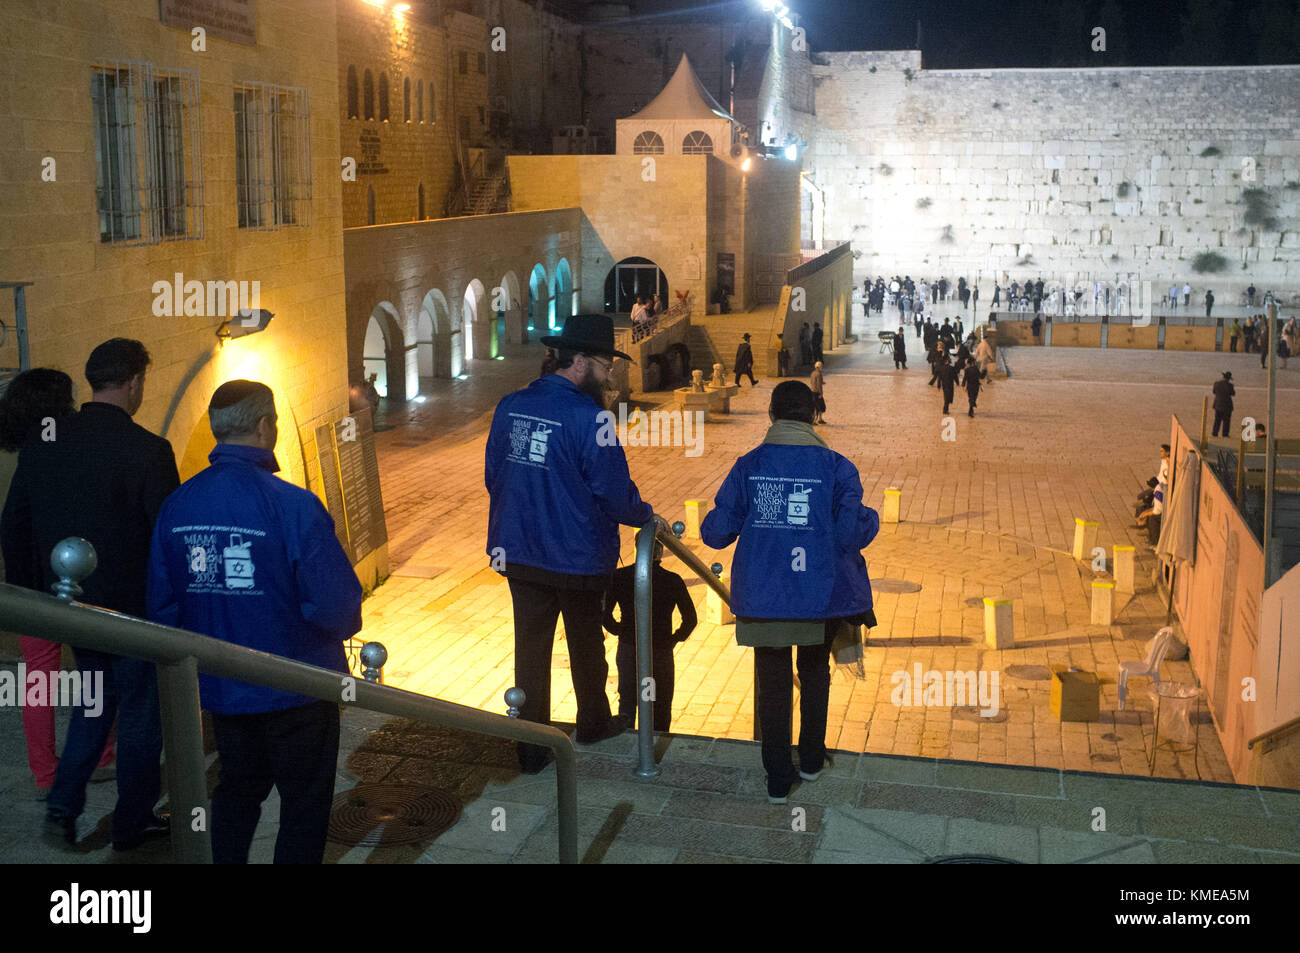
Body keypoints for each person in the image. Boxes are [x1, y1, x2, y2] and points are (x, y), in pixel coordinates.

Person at [147, 380, 362, 864]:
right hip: (298, 688)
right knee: (304, 806)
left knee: (237, 792)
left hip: (224, 692)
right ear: (265, 427)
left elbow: (161, 610)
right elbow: (337, 608)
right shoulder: (293, 506)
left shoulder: (178, 506)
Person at [2, 339, 178, 851]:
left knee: (93, 705)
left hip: (71, 608)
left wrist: (36, 599)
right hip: (132, 614)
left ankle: (62, 805)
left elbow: (13, 524)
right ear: (135, 382)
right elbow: (165, 542)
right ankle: (133, 821)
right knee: (141, 715)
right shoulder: (149, 450)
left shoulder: (46, 442)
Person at [485, 314, 650, 772]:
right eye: (605, 363)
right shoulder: (590, 419)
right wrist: (644, 515)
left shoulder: (509, 406)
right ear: (579, 362)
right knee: (586, 644)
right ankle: (593, 723)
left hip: (518, 553)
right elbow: (615, 493)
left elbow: (494, 476)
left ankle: (532, 746)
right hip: (577, 558)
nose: (611, 373)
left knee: (530, 651)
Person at [700, 381, 878, 803]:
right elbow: (851, 531)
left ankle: (778, 778)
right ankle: (813, 761)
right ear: (814, 416)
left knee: (773, 684)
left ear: (771, 415)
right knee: (815, 674)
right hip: (818, 595)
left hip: (764, 596)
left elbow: (716, 533)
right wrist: (868, 517)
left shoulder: (749, 465)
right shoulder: (837, 467)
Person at [0, 369, 117, 800]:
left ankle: (45, 774)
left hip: (25, 585)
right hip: (70, 574)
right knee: (92, 667)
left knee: (39, 680)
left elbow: (12, 525)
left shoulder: (16, 449)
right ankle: (100, 755)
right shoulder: (58, 449)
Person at [602, 539, 696, 732]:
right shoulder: (672, 580)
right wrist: (675, 638)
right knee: (657, 700)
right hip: (659, 649)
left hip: (630, 647)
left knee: (628, 698)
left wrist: (621, 630)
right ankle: (655, 741)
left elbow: (604, 614)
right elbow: (690, 619)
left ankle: (628, 740)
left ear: (637, 548)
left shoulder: (621, 576)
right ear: (660, 553)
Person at [1211, 371, 1234, 438]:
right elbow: (1233, 393)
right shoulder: (1230, 385)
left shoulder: (1216, 384)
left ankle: (1215, 433)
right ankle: (1225, 434)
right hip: (1227, 406)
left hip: (1218, 404)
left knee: (1217, 420)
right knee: (1226, 421)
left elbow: (1214, 392)